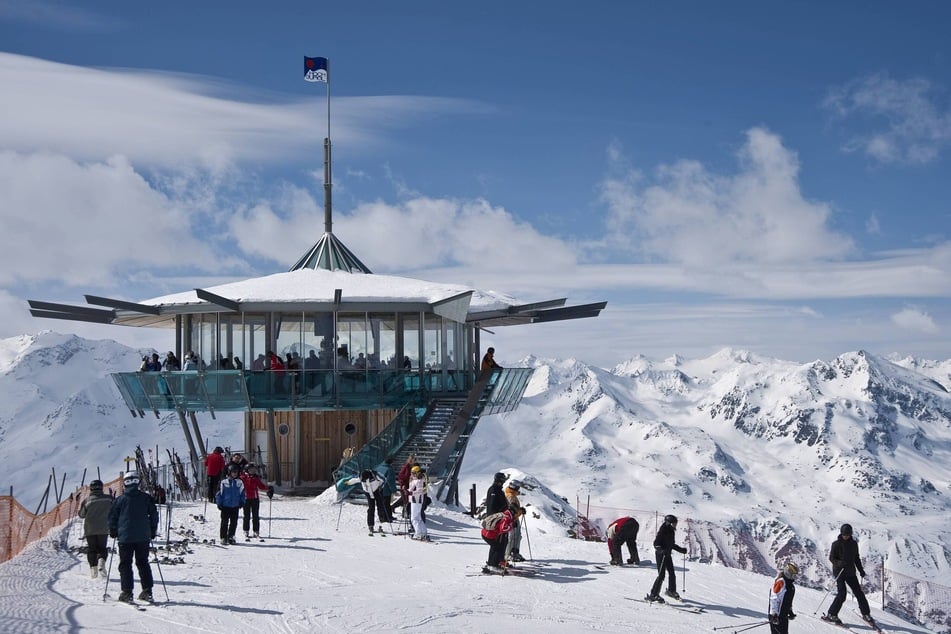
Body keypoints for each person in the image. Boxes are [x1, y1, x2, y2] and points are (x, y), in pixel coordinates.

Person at [107, 472, 158, 603]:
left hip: (125, 537)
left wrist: (113, 531)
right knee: (143, 563)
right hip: (143, 537)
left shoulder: (120, 500)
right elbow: (154, 516)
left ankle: (127, 592)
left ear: (125, 483)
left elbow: (112, 517)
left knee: (125, 564)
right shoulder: (146, 498)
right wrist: (152, 531)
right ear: (138, 482)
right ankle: (147, 591)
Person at [824, 523, 874, 626]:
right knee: (842, 594)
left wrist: (861, 570)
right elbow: (832, 558)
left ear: (850, 534)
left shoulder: (854, 544)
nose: (845, 536)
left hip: (850, 572)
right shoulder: (836, 544)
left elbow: (856, 558)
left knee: (859, 593)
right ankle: (831, 614)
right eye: (844, 534)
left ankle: (866, 614)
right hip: (840, 572)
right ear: (841, 534)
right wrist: (839, 563)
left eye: (847, 535)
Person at [647, 514, 688, 602]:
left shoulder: (671, 531)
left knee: (672, 573)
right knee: (661, 575)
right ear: (669, 523)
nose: (675, 525)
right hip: (661, 555)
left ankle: (671, 591)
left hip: (667, 554)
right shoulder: (663, 530)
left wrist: (681, 550)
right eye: (674, 523)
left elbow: (671, 544)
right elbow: (656, 543)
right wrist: (661, 550)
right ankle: (653, 595)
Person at [78, 479, 113, 578]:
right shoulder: (109, 499)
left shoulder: (87, 500)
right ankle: (101, 561)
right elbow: (115, 509)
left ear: (91, 489)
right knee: (102, 548)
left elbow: (81, 515)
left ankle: (93, 569)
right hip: (103, 527)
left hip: (90, 528)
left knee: (92, 548)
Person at [216, 463, 246, 545]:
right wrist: (219, 503)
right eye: (233, 472)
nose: (235, 474)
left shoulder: (239, 482)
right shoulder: (223, 482)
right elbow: (219, 493)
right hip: (225, 506)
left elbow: (242, 493)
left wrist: (242, 502)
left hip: (235, 506)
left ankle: (231, 536)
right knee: (224, 522)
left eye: (236, 472)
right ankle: (223, 537)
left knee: (234, 523)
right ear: (229, 472)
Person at [239, 464, 271, 541]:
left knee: (255, 516)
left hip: (255, 498)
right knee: (246, 515)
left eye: (254, 469)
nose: (253, 471)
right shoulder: (242, 477)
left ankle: (256, 531)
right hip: (246, 499)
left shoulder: (256, 478)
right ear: (247, 470)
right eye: (251, 469)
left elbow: (261, 486)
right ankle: (246, 530)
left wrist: (268, 489)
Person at [358, 469, 393, 535]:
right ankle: (370, 524)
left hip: (377, 489)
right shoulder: (361, 476)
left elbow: (384, 479)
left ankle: (381, 518)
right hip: (368, 491)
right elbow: (354, 481)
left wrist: (381, 487)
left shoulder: (376, 474)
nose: (364, 481)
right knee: (371, 507)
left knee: (380, 504)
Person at [481, 508, 514, 574]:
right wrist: (510, 527)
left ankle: (491, 564)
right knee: (498, 548)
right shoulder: (506, 518)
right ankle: (493, 565)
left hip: (485, 533)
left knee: (495, 547)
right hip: (489, 535)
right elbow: (503, 529)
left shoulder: (502, 514)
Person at [769, 562, 799, 634]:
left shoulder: (790, 586)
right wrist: (773, 614)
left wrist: (790, 611)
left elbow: (788, 601)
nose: (794, 574)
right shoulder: (781, 582)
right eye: (792, 571)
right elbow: (774, 598)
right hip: (776, 616)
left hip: (783, 616)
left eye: (795, 572)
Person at [504, 480, 526, 563]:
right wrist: (519, 512)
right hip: (512, 519)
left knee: (517, 536)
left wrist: (520, 510)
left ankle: (514, 553)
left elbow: (515, 509)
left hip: (514, 519)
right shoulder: (510, 496)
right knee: (512, 537)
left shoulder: (512, 495)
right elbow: (511, 511)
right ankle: (509, 554)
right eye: (518, 487)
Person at [408, 465, 429, 541]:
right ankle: (423, 532)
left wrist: (410, 493)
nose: (412, 474)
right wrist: (407, 491)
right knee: (418, 517)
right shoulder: (416, 480)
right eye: (412, 473)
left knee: (414, 518)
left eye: (414, 473)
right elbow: (411, 489)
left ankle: (418, 534)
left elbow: (419, 491)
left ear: (418, 473)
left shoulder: (419, 481)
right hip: (416, 500)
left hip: (416, 500)